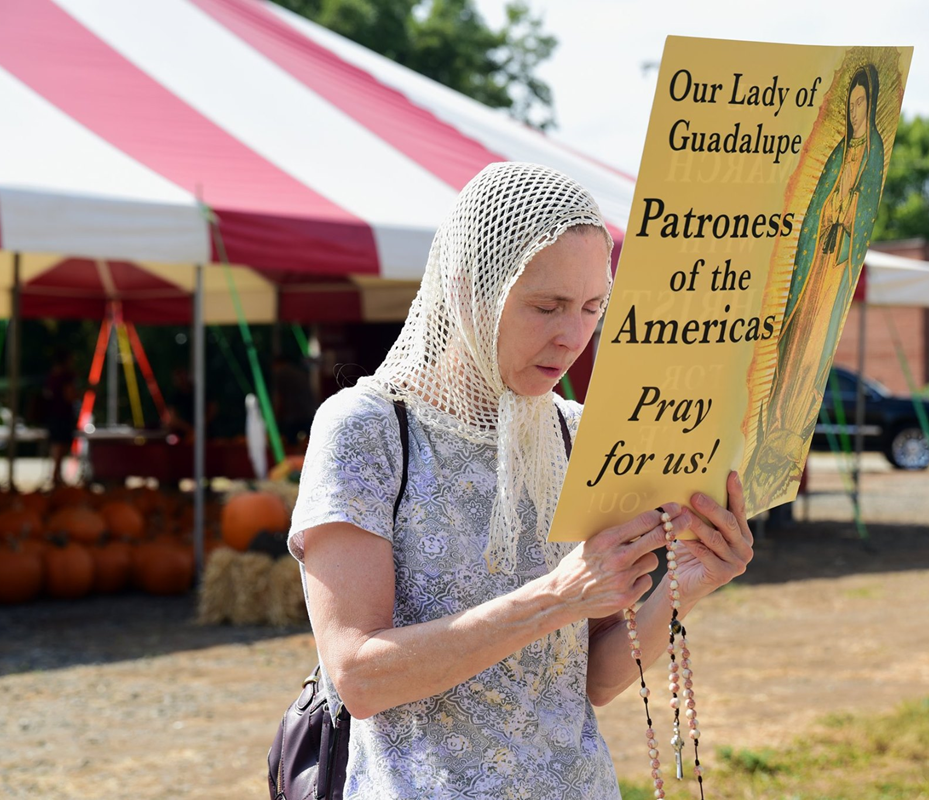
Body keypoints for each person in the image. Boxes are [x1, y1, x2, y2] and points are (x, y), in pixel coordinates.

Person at [288, 162, 754, 798]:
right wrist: (557, 596)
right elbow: (360, 678)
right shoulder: (368, 428)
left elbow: (592, 679)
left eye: (593, 308)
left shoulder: (576, 433)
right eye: (546, 306)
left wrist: (686, 587)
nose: (572, 336)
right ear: (464, 289)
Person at [748, 64, 886, 500]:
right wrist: (828, 213)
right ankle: (770, 432)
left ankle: (788, 434)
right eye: (851, 103)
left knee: (813, 354)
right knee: (793, 347)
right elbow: (813, 212)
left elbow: (862, 215)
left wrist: (849, 215)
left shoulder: (874, 153)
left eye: (863, 102)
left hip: (839, 269)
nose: (856, 110)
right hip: (815, 267)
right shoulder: (837, 153)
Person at [42, 349, 78, 486]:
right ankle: (56, 476)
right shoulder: (65, 376)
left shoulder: (51, 376)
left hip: (52, 415)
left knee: (57, 445)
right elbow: (69, 396)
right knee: (60, 445)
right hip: (62, 415)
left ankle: (56, 476)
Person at [271, 351, 316, 446]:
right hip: (308, 411)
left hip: (293, 415)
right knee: (310, 443)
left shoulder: (282, 373)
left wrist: (276, 416)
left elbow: (280, 397)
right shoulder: (299, 372)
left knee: (291, 445)